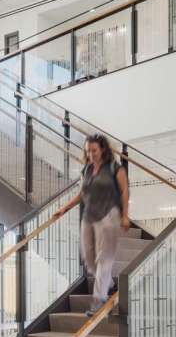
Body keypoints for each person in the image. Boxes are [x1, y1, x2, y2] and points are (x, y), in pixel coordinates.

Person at [53, 133, 130, 316]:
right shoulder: (86, 170)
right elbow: (82, 193)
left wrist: (125, 215)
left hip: (109, 216)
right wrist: (64, 208)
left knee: (104, 259)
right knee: (88, 260)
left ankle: (99, 300)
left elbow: (124, 191)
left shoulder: (115, 168)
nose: (90, 154)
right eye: (88, 151)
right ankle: (109, 283)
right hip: (89, 216)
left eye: (94, 150)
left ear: (102, 149)